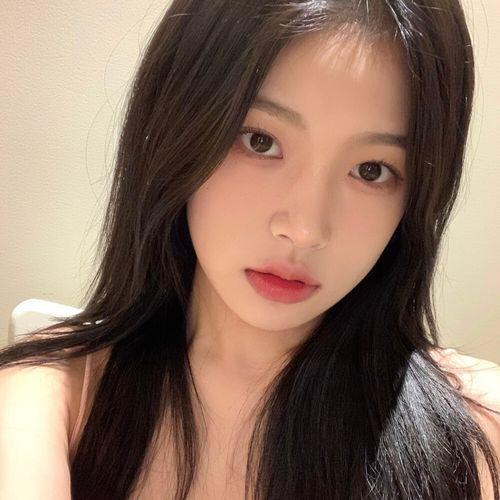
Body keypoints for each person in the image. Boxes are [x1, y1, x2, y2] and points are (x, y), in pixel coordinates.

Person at [1, 0, 499, 499]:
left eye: (371, 171)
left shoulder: (472, 438)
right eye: (260, 140)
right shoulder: (51, 399)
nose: (305, 230)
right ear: (178, 132)